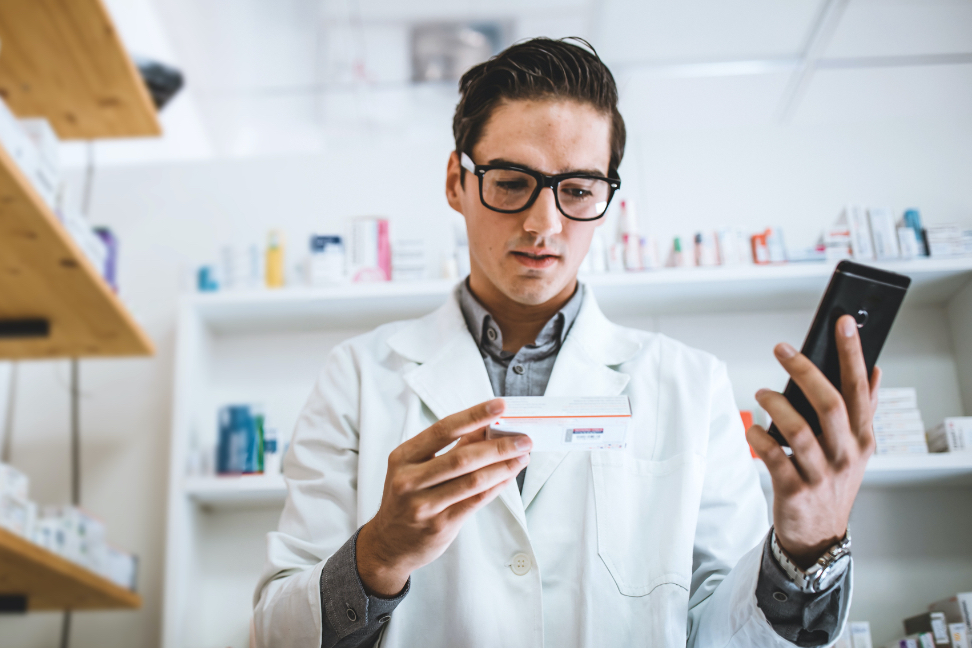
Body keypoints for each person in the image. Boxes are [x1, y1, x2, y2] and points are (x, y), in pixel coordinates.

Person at [253, 38, 877, 648]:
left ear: (605, 199)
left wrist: (804, 551)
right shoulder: (358, 376)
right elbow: (274, 631)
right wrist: (378, 555)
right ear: (456, 181)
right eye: (510, 180)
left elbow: (717, 628)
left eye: (577, 189)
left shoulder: (689, 382)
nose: (543, 223)